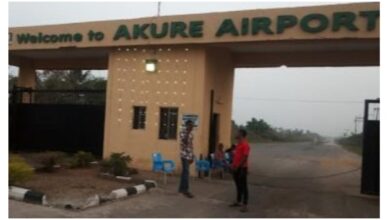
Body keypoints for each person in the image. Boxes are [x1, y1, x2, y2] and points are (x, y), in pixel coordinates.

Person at [230, 129, 250, 212]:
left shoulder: (245, 145)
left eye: (237, 132)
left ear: (241, 134)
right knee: (238, 185)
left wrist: (238, 166)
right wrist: (233, 165)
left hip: (241, 168)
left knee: (244, 186)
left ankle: (245, 204)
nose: (236, 133)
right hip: (236, 167)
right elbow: (237, 155)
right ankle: (238, 201)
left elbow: (245, 157)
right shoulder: (238, 144)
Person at [178, 120, 195, 198]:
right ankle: (185, 190)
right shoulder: (182, 132)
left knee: (184, 173)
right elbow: (184, 142)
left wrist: (192, 156)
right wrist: (188, 132)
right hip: (184, 156)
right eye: (190, 125)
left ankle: (181, 189)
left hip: (189, 155)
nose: (192, 127)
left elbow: (191, 145)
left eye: (192, 126)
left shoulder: (191, 134)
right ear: (187, 125)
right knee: (186, 172)